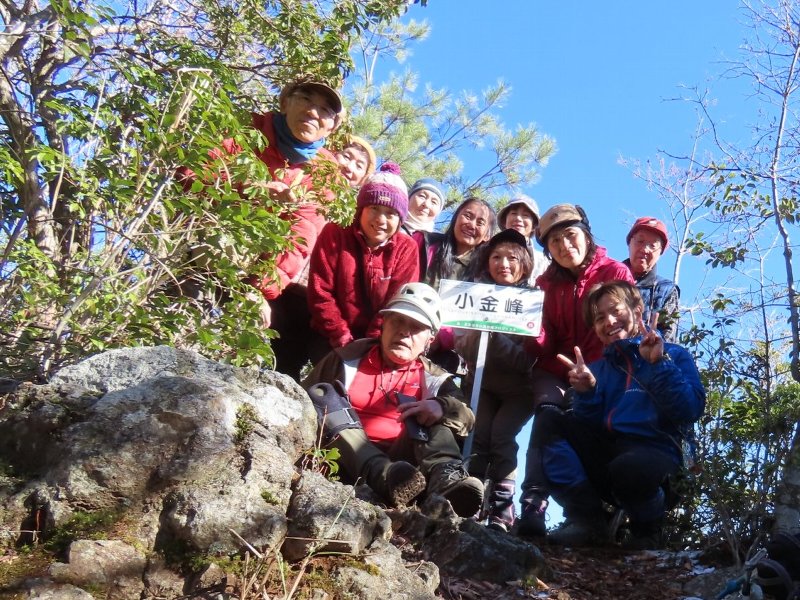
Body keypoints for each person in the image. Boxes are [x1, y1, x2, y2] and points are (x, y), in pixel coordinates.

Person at [176, 78, 345, 377]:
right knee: (181, 322)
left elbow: (301, 237)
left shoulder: (324, 172)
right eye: (306, 99)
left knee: (248, 345)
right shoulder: (246, 132)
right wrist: (251, 190)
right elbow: (190, 176)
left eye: (325, 110)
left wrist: (257, 291)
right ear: (286, 102)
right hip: (204, 250)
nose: (313, 112)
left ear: (331, 126)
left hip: (256, 273)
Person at [531, 281, 705, 548]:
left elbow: (690, 410)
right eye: (600, 318)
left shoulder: (674, 355)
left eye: (615, 311)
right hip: (611, 458)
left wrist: (658, 364)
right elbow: (588, 428)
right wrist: (587, 393)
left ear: (637, 311)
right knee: (549, 420)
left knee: (629, 468)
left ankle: (647, 528)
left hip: (658, 459)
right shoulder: (598, 369)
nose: (609, 321)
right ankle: (586, 519)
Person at [302, 283, 484, 517]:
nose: (404, 332)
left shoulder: (435, 378)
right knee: (323, 395)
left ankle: (446, 482)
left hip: (407, 473)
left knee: (438, 414)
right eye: (398, 321)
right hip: (344, 459)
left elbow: (468, 418)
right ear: (383, 323)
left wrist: (441, 406)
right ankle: (384, 476)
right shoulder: (345, 358)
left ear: (430, 339)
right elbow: (301, 396)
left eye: (416, 327)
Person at [516, 203, 635, 537]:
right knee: (547, 414)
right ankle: (534, 503)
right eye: (554, 242)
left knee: (579, 417)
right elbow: (543, 346)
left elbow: (626, 329)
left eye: (570, 235)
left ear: (586, 235)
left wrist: (596, 373)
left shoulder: (614, 272)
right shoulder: (544, 284)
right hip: (556, 370)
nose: (565, 245)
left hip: (604, 369)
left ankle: (595, 512)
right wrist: (530, 331)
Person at [454, 229, 537, 532]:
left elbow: (528, 360)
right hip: (482, 384)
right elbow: (462, 347)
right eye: (496, 257)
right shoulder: (474, 296)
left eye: (512, 258)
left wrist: (495, 337)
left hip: (519, 390)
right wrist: (478, 333)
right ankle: (469, 501)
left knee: (502, 436)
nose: (503, 264)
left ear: (524, 263)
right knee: (478, 435)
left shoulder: (533, 301)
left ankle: (502, 509)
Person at [307, 163, 420, 363]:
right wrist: (341, 336)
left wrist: (370, 344)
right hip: (328, 335)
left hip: (379, 343)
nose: (381, 220)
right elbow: (320, 291)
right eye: (374, 208)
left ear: (400, 219)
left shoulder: (406, 248)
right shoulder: (335, 233)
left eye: (391, 213)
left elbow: (397, 303)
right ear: (361, 210)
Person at [424, 197, 496, 373]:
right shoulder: (427, 246)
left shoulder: (486, 271)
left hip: (448, 351)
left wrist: (441, 338)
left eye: (480, 222)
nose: (471, 224)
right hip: (411, 330)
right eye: (467, 216)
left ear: (487, 235)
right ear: (455, 218)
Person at [623, 217, 680, 342]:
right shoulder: (609, 278)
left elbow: (668, 340)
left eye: (653, 245)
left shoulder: (666, 290)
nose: (645, 249)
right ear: (629, 243)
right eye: (640, 241)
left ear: (660, 253)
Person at [496, 194, 550, 284]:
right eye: (514, 213)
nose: (518, 218)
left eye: (525, 215)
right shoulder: (487, 253)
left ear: (534, 225)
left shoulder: (544, 262)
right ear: (504, 221)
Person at [402, 178, 447, 282]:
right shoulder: (389, 229)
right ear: (408, 198)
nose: (426, 204)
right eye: (422, 196)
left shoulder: (440, 244)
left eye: (434, 202)